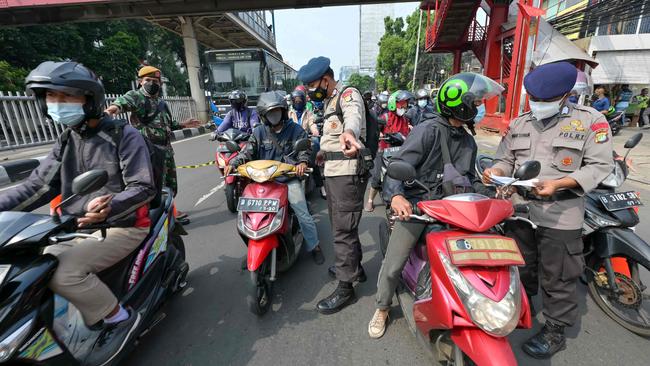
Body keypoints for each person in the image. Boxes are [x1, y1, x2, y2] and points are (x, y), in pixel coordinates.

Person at [0, 61, 156, 365]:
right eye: (50, 97)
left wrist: (110, 206)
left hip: (123, 225)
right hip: (73, 226)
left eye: (66, 96)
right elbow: (35, 187)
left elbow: (143, 187)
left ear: (90, 99)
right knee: (29, 270)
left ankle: (119, 319)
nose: (57, 104)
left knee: (65, 273)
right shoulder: (66, 139)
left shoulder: (124, 136)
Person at [482, 61, 613, 359]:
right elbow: (505, 160)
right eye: (534, 99)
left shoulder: (590, 121)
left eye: (545, 101)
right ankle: (522, 306)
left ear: (565, 96)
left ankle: (555, 329)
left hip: (561, 212)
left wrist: (560, 184)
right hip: (521, 209)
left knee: (559, 275)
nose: (538, 105)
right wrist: (494, 171)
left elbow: (600, 165)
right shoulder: (520, 123)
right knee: (522, 265)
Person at [367, 73, 502, 339]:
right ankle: (382, 307)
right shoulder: (427, 130)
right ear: (458, 104)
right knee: (394, 262)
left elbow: (471, 181)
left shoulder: (468, 141)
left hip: (457, 210)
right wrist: (396, 197)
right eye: (474, 103)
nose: (478, 108)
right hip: (420, 207)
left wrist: (494, 195)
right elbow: (397, 169)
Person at [297, 56, 369, 314]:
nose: (309, 90)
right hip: (334, 170)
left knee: (342, 231)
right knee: (343, 225)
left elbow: (353, 120)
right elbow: (332, 136)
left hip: (346, 173)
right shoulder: (329, 100)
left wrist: (350, 133)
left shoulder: (347, 95)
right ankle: (354, 268)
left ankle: (345, 287)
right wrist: (323, 153)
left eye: (312, 85)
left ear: (326, 80)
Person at [225, 91, 324, 264]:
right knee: (245, 215)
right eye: (270, 113)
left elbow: (305, 149)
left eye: (277, 111)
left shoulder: (295, 129)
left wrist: (302, 162)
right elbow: (248, 151)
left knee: (303, 214)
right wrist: (234, 163)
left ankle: (314, 246)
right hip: (262, 181)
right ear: (264, 115)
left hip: (287, 179)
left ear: (283, 111)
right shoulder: (259, 132)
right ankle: (253, 245)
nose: (274, 115)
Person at [105, 66, 189, 224]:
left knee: (170, 184)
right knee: (153, 185)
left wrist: (184, 125)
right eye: (148, 80)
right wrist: (111, 110)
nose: (152, 83)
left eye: (155, 81)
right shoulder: (137, 97)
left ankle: (169, 209)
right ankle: (160, 217)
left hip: (166, 150)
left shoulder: (162, 103)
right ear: (140, 82)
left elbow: (169, 124)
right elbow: (123, 102)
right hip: (148, 151)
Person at [365, 90, 412, 213]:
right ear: (393, 104)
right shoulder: (385, 117)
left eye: (405, 105)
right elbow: (375, 130)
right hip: (384, 150)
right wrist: (380, 134)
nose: (404, 107)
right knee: (376, 178)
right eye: (402, 105)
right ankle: (370, 200)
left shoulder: (405, 119)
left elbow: (408, 132)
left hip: (401, 151)